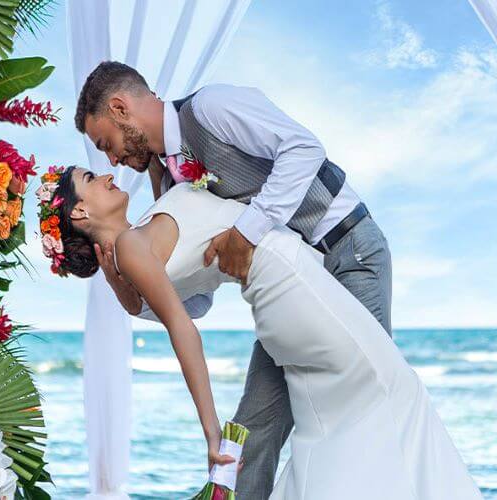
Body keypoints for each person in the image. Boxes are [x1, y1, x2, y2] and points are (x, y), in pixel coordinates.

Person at [36, 165, 482, 499]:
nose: (109, 172)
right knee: (393, 391)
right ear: (80, 208)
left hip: (282, 296)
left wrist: (120, 287)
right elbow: (182, 328)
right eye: (91, 177)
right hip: (289, 281)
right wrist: (212, 433)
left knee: (334, 425)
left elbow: (148, 302)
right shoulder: (132, 250)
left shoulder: (134, 251)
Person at [74, 61, 394, 499]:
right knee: (251, 427)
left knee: (361, 407)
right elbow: (199, 299)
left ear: (119, 108)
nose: (112, 159)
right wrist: (133, 296)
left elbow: (304, 148)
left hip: (345, 253)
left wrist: (247, 232)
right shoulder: (168, 183)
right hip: (287, 295)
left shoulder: (212, 107)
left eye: (104, 143)